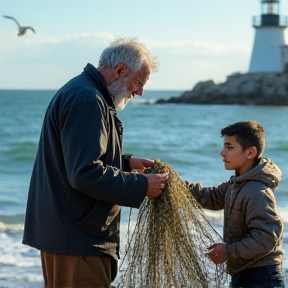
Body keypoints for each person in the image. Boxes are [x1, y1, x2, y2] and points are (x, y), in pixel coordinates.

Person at [22, 37, 169, 288]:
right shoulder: (88, 100)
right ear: (120, 70)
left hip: (73, 235)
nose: (140, 91)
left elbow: (77, 160)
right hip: (77, 239)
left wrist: (125, 163)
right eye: (138, 82)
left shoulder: (87, 93)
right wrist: (141, 185)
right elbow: (84, 173)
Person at [188, 121, 285, 288]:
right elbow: (210, 197)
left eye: (229, 147)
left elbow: (267, 237)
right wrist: (174, 184)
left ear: (250, 152)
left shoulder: (257, 190)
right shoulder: (236, 184)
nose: (222, 153)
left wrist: (228, 251)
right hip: (244, 273)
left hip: (263, 277)